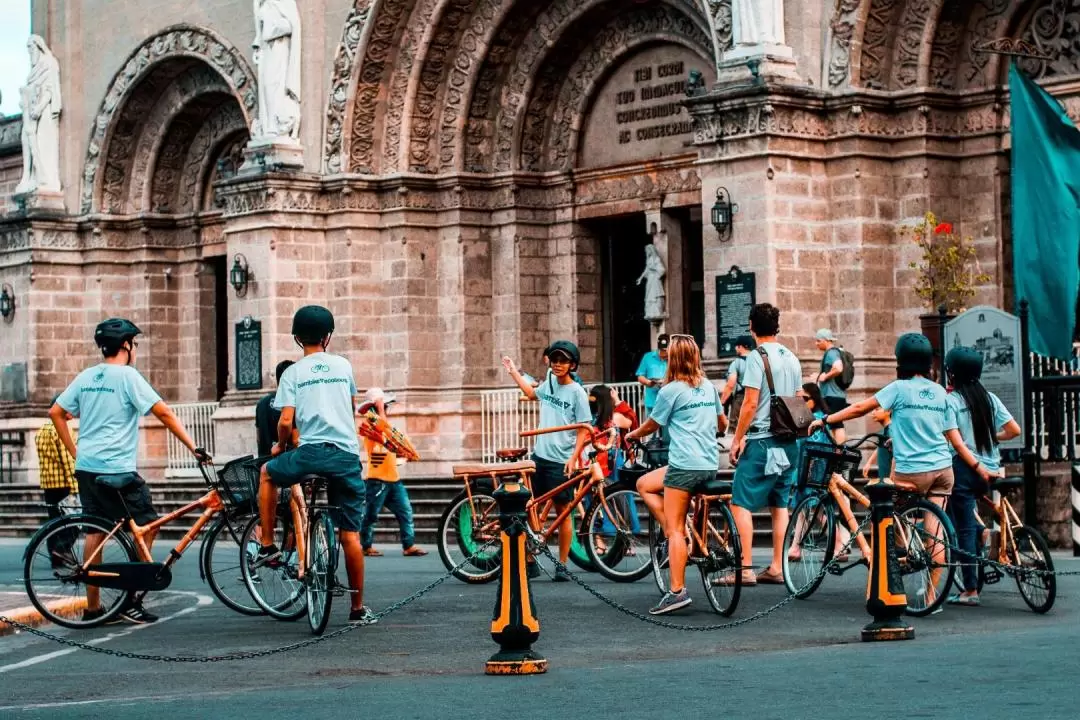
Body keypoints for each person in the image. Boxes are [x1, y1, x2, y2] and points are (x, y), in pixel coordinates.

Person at [808, 334, 993, 606]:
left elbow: (860, 408)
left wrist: (826, 419)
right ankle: (930, 598)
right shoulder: (941, 392)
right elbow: (953, 437)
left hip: (912, 472)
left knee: (882, 511)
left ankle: (892, 564)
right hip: (944, 471)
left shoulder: (899, 388)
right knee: (936, 532)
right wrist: (977, 465)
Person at [50, 318, 209, 625]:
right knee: (148, 526)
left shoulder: (86, 376)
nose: (135, 349)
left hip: (87, 467)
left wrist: (75, 452)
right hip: (117, 469)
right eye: (134, 344)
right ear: (125, 345)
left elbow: (56, 412)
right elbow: (162, 411)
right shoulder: (127, 376)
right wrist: (194, 447)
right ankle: (131, 598)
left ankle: (94, 608)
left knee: (95, 531)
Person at [254, 306, 376, 626]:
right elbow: (349, 407)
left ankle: (267, 544)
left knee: (267, 474)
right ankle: (357, 608)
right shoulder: (344, 366)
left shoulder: (293, 372)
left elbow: (285, 421)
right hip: (345, 456)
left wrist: (281, 445)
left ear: (297, 338)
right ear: (328, 336)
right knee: (351, 535)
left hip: (309, 453)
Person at [627, 335, 726, 614]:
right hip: (707, 463)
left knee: (673, 531)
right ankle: (682, 534)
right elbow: (722, 422)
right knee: (644, 483)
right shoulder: (708, 386)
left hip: (683, 466)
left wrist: (633, 434)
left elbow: (652, 425)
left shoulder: (670, 390)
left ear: (672, 359)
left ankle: (677, 590)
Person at [502, 340, 591, 581]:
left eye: (563, 360)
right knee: (531, 506)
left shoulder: (577, 393)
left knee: (563, 512)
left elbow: (584, 429)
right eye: (555, 359)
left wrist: (574, 458)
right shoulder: (550, 380)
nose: (558, 364)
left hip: (561, 460)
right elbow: (531, 393)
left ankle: (562, 564)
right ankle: (531, 560)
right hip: (539, 456)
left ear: (573, 364)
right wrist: (512, 371)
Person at [729, 303, 803, 585]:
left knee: (740, 503)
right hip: (788, 441)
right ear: (777, 326)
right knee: (779, 503)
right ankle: (777, 566)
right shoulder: (792, 356)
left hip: (762, 440)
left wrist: (737, 439)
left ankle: (745, 568)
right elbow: (798, 397)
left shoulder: (755, 358)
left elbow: (749, 403)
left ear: (751, 326)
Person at [943, 347, 1021, 607]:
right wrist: (990, 439)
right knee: (965, 519)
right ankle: (983, 533)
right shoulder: (989, 398)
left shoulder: (951, 401)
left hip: (967, 470)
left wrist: (976, 464)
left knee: (961, 528)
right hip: (991, 468)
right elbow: (1014, 430)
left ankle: (970, 590)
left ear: (952, 374)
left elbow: (957, 443)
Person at [358, 387, 426, 558]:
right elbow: (382, 429)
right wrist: (379, 407)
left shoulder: (386, 427)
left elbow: (390, 444)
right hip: (376, 480)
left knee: (405, 512)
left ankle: (408, 545)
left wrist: (404, 456)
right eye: (383, 407)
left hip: (393, 479)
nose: (385, 409)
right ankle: (365, 546)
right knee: (370, 515)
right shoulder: (369, 426)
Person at [789, 383, 852, 560]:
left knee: (817, 510)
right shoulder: (820, 417)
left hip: (812, 471)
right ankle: (795, 547)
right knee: (805, 510)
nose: (801, 401)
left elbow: (813, 449)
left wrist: (806, 473)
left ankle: (839, 546)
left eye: (805, 398)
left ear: (814, 399)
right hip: (813, 470)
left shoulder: (814, 419)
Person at [35, 396, 77, 567]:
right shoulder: (62, 429)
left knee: (54, 521)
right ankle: (62, 549)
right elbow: (68, 460)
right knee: (73, 519)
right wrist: (75, 486)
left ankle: (55, 555)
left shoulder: (41, 431)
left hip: (49, 484)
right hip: (64, 484)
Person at [255, 360, 295, 457]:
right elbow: (295, 439)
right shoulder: (292, 404)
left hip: (264, 461)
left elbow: (258, 437)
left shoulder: (261, 403)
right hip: (287, 462)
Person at [814, 329, 848, 427]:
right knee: (834, 425)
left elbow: (838, 368)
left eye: (818, 341)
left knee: (836, 426)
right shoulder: (832, 353)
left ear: (826, 340)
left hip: (833, 396)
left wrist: (825, 376)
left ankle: (838, 443)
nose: (816, 344)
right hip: (835, 395)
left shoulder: (831, 353)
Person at [720, 335, 755, 430]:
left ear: (740, 347)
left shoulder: (736, 363)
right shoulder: (758, 361)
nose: (735, 349)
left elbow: (731, 384)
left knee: (736, 428)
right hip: (757, 397)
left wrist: (722, 401)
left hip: (741, 399)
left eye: (736, 346)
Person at [636, 334, 670, 421]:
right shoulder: (648, 357)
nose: (665, 352)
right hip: (652, 401)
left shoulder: (674, 359)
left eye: (666, 350)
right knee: (650, 432)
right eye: (662, 350)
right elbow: (640, 376)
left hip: (668, 402)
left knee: (668, 433)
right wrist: (648, 383)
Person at [862, 408, 893, 482]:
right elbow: (881, 446)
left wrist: (892, 475)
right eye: (872, 410)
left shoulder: (893, 430)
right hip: (883, 473)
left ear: (888, 411)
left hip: (891, 477)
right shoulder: (883, 430)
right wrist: (869, 463)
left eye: (877, 409)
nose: (872, 412)